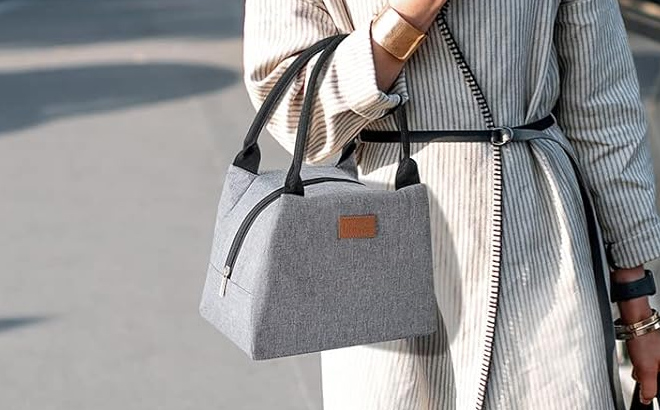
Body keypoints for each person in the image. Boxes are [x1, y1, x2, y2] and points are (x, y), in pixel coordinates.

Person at [241, 0, 660, 408]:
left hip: (542, 241)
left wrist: (638, 308)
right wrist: (411, 12)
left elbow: (602, 108)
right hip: (383, 247)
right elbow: (294, 113)